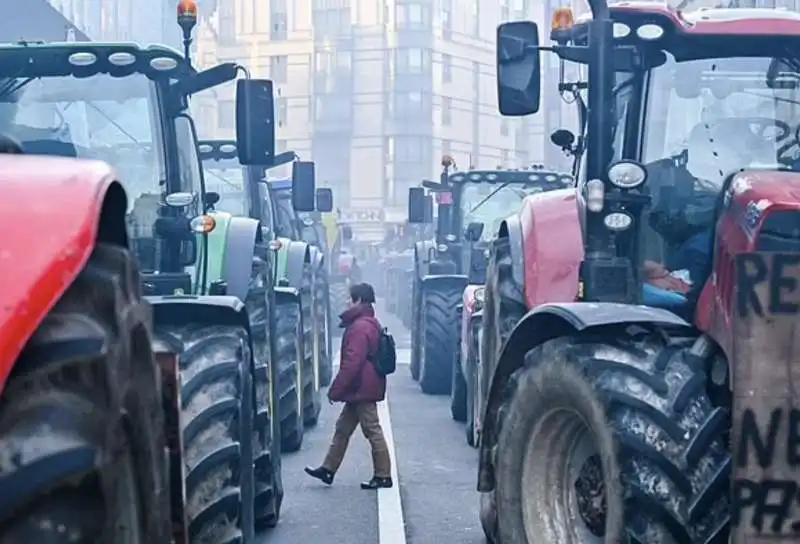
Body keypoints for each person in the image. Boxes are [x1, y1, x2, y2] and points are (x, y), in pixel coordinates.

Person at [304, 282, 393, 489]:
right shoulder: (368, 322)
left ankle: (383, 475)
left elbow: (353, 363)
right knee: (343, 428)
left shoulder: (360, 327)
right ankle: (328, 470)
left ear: (359, 300)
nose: (346, 301)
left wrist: (336, 389)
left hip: (362, 387)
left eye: (349, 298)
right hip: (361, 387)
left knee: (372, 430)